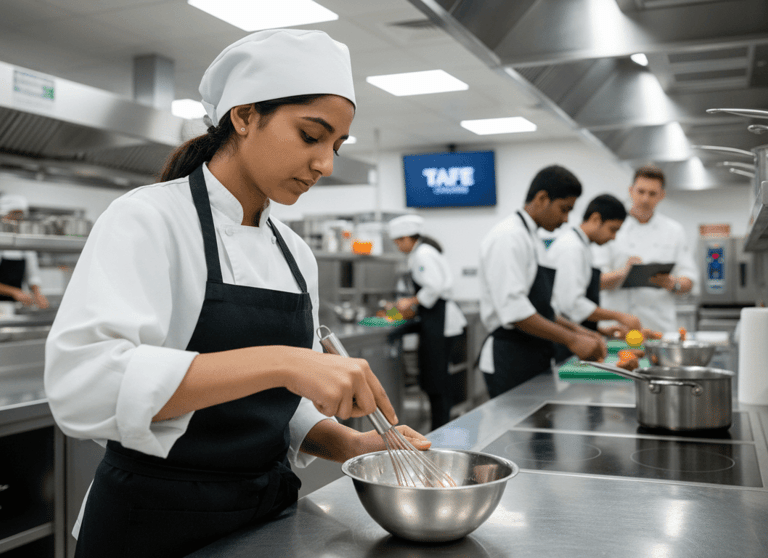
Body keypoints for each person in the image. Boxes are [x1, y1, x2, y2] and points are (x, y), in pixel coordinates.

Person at [44, 29, 429, 558]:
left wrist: (350, 443)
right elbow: (84, 387)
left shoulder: (295, 253)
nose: (326, 164)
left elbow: (278, 406)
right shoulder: (148, 219)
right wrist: (283, 362)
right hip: (151, 523)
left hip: (264, 519)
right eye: (311, 136)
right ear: (245, 116)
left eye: (336, 146)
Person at [477, 165, 607, 399]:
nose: (566, 220)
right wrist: (572, 340)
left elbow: (542, 309)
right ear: (541, 198)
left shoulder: (533, 238)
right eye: (564, 209)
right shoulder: (509, 237)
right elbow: (516, 311)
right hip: (510, 355)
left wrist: (582, 332)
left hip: (533, 352)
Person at [593, 165, 697, 333]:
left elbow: (689, 280)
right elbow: (595, 282)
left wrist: (673, 283)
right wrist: (623, 273)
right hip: (616, 328)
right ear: (631, 191)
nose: (645, 199)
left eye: (652, 193)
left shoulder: (674, 231)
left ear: (662, 195)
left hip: (658, 327)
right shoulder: (610, 227)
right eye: (640, 192)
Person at [387, 214, 467, 431]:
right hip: (436, 318)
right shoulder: (423, 252)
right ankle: (440, 426)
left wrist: (409, 302)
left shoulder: (422, 255)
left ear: (406, 238)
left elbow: (434, 287)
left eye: (398, 242)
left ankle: (440, 428)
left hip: (441, 321)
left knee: (436, 380)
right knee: (436, 378)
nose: (398, 247)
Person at [549, 194, 642, 360]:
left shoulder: (582, 247)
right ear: (595, 219)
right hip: (562, 341)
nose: (613, 237)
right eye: (613, 229)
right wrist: (619, 316)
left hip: (574, 333)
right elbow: (571, 305)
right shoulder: (571, 248)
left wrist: (600, 330)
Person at [0, 195, 49, 310]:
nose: (18, 218)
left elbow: (33, 275)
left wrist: (37, 293)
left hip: (14, 306)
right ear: (3, 215)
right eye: (14, 213)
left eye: (20, 214)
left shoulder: (24, 243)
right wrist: (14, 291)